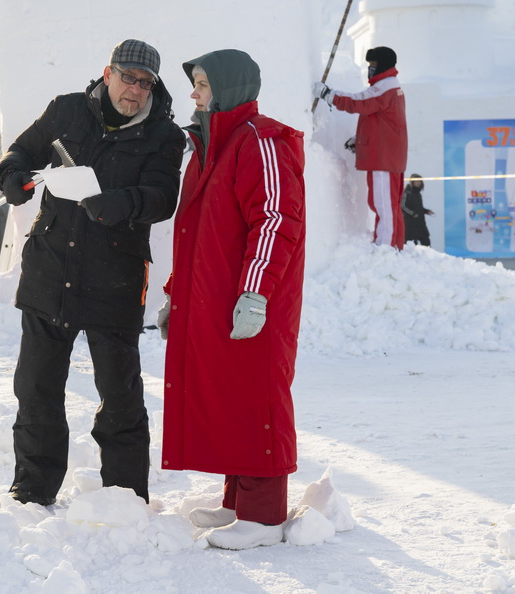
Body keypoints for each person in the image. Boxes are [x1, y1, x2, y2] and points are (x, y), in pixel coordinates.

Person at [0, 39, 185, 506]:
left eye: (145, 83)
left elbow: (164, 197)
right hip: (50, 271)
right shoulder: (66, 111)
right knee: (37, 389)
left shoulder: (164, 135)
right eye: (127, 77)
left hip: (114, 279)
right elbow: (18, 153)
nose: (135, 90)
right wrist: (13, 179)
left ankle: (123, 495)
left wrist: (122, 203)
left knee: (120, 399)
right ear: (107, 73)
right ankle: (32, 489)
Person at [158, 49, 305, 550]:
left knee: (256, 395)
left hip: (249, 299)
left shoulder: (260, 141)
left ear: (230, 87)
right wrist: (176, 296)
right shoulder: (210, 145)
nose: (194, 93)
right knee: (229, 395)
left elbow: (275, 220)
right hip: (215, 300)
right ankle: (238, 504)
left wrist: (255, 294)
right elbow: (197, 233)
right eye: (195, 83)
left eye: (202, 83)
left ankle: (263, 518)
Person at [313, 46, 408, 250]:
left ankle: (386, 248)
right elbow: (382, 122)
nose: (370, 70)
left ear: (382, 66)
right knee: (385, 203)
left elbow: (359, 103)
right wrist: (361, 140)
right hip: (387, 154)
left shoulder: (385, 87)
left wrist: (329, 95)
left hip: (385, 158)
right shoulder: (390, 87)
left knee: (384, 205)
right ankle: (392, 244)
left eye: (373, 66)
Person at [402, 174, 434, 246]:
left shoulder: (418, 194)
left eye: (419, 181)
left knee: (426, 242)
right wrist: (412, 213)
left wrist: (426, 211)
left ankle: (428, 257)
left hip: (420, 223)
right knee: (410, 244)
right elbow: (403, 206)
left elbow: (418, 208)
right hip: (410, 224)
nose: (418, 183)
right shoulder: (407, 193)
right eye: (416, 181)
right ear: (412, 182)